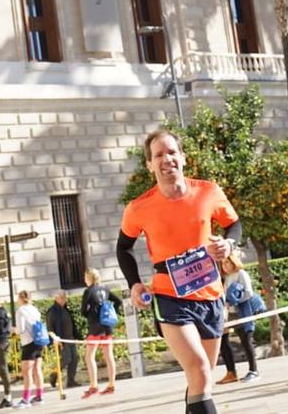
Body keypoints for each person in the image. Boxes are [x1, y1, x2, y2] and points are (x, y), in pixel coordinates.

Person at [118, 127, 243, 414]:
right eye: (158, 155)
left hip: (211, 294)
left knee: (202, 380)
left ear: (183, 157)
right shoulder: (139, 207)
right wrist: (134, 284)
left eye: (172, 152)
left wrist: (229, 243)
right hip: (169, 296)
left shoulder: (208, 191)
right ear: (150, 164)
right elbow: (123, 248)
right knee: (198, 368)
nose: (166, 159)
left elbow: (233, 224)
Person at [217, 250, 261, 383]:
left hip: (243, 311)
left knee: (246, 340)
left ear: (233, 261)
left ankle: (254, 370)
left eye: (226, 262)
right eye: (222, 263)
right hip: (228, 313)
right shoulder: (224, 277)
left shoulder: (241, 274)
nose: (224, 266)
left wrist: (234, 300)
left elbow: (249, 293)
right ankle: (231, 372)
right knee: (223, 340)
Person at [80, 268, 121, 398]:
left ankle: (93, 385)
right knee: (109, 356)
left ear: (89, 278)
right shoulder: (105, 289)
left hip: (95, 327)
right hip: (107, 326)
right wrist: (113, 310)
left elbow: (83, 310)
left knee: (89, 356)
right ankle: (111, 384)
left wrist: (90, 313)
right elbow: (118, 301)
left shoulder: (88, 291)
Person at [12, 290, 44, 406]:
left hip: (28, 343)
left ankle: (25, 399)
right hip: (38, 341)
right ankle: (39, 396)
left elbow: (20, 329)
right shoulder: (34, 309)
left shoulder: (20, 310)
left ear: (21, 298)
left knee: (27, 372)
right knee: (37, 370)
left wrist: (13, 330)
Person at [46, 291, 81, 389]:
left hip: (70, 339)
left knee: (74, 359)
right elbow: (50, 328)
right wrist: (57, 340)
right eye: (63, 297)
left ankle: (71, 380)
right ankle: (54, 375)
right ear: (57, 298)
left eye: (65, 297)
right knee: (66, 359)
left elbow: (71, 324)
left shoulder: (65, 309)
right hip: (62, 340)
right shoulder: (52, 311)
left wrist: (76, 336)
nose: (65, 299)